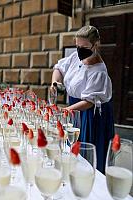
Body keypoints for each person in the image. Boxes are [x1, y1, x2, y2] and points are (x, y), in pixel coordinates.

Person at [51, 25, 114, 173]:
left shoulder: (99, 72)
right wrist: (55, 83)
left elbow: (89, 102)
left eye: (84, 47)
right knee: (71, 148)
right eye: (77, 46)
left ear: (95, 45)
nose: (79, 50)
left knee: (86, 154)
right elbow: (59, 68)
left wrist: (65, 111)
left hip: (90, 114)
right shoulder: (76, 57)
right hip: (74, 108)